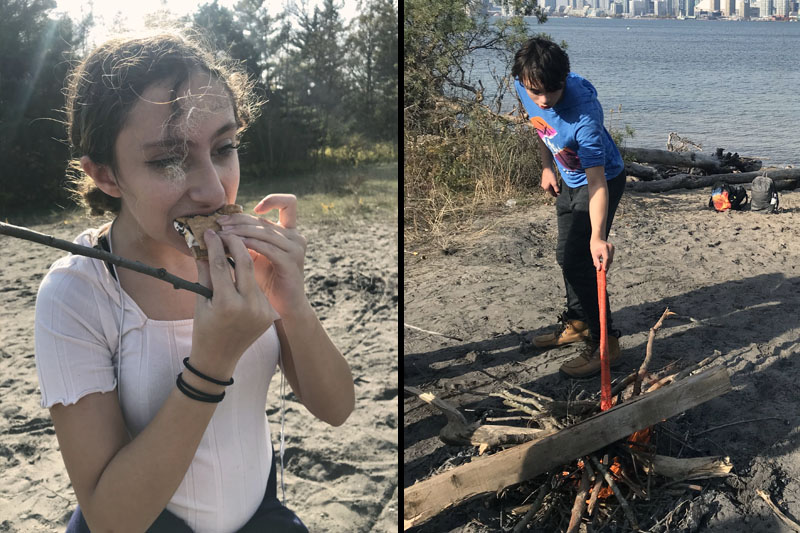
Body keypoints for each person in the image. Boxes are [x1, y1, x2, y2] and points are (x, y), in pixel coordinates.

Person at [33, 30, 355, 532]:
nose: (213, 190)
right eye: (168, 160)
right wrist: (211, 363)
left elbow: (336, 409)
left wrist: (293, 304)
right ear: (106, 176)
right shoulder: (77, 293)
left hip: (259, 514)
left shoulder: (245, 259)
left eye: (224, 147)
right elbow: (112, 520)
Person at [512, 37, 626, 379]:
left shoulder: (584, 118)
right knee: (567, 256)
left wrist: (598, 236)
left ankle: (606, 344)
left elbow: (598, 183)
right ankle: (577, 322)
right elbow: (541, 128)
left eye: (553, 91)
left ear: (564, 79)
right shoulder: (524, 84)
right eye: (537, 92)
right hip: (567, 178)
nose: (544, 100)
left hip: (600, 183)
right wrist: (547, 166)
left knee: (581, 260)